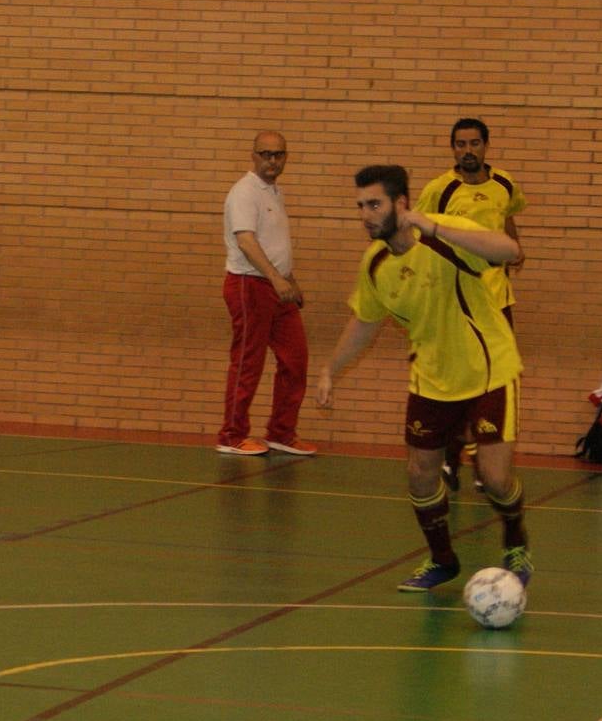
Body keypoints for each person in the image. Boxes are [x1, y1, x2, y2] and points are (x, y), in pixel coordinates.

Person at [316, 165, 531, 591]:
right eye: (360, 206)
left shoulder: (443, 233)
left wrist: (435, 227)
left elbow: (509, 250)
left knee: (494, 479)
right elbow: (364, 320)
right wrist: (330, 369)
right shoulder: (376, 262)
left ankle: (516, 540)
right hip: (431, 378)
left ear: (401, 204)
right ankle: (443, 560)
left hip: (488, 370)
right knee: (419, 473)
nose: (365, 215)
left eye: (374, 205)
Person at [419, 118, 527, 487]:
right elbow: (421, 234)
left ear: (486, 146)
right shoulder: (439, 189)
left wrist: (515, 247)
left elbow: (507, 217)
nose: (468, 150)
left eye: (474, 143)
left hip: (497, 301)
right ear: (453, 148)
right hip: (457, 304)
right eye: (460, 144)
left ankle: (486, 462)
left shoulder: (504, 184)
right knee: (458, 382)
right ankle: (451, 460)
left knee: (496, 382)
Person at [216, 131, 315, 457]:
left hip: (277, 287)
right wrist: (275, 278)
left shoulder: (274, 192)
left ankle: (282, 432)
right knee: (248, 361)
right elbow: (246, 241)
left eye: (278, 154)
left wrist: (290, 280)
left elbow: (274, 245)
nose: (272, 161)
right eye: (266, 154)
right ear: (253, 155)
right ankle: (232, 435)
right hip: (250, 285)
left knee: (295, 359)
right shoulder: (244, 192)